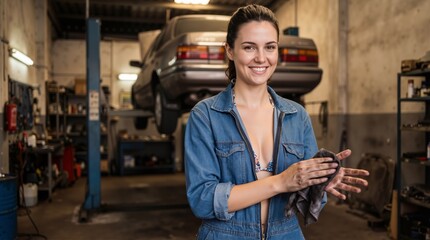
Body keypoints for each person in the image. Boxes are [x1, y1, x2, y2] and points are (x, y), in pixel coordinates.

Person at [184, 4, 369, 240]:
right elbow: (203, 200)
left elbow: (305, 193)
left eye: (270, 47)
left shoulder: (296, 115)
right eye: (249, 47)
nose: (261, 58)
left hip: (287, 233)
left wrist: (320, 181)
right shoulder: (206, 116)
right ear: (230, 51)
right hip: (226, 234)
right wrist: (281, 181)